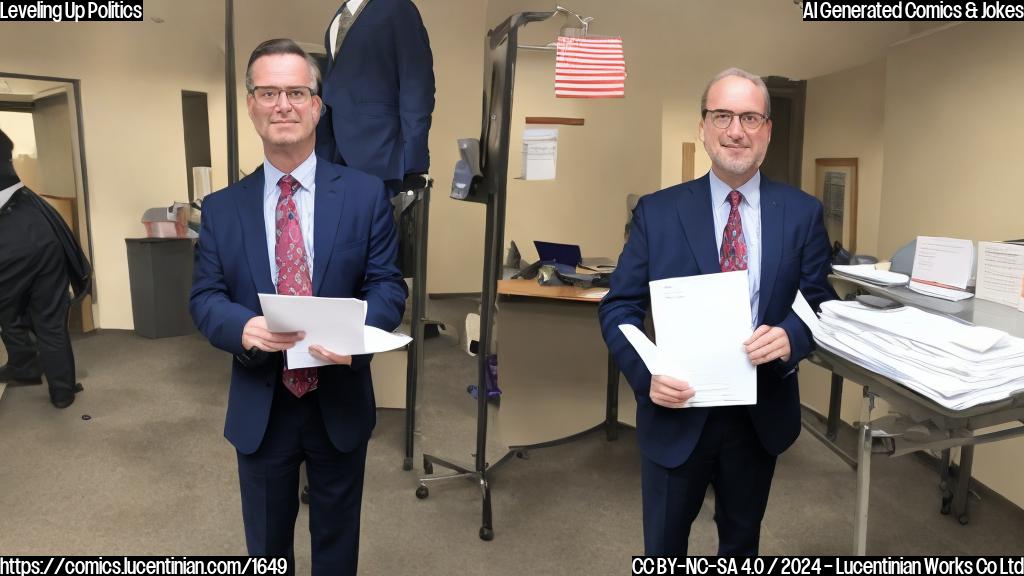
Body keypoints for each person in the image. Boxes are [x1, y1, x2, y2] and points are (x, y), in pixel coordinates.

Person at [598, 68, 836, 556]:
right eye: (723, 115)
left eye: (750, 117)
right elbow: (619, 307)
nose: (736, 130)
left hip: (759, 415)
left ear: (768, 128)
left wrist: (793, 336)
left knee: (741, 543)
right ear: (703, 127)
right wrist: (648, 376)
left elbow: (819, 299)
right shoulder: (657, 212)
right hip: (676, 411)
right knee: (664, 548)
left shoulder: (802, 213)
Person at [189, 39, 406, 575]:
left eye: (295, 91)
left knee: (337, 544)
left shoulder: (363, 195)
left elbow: (387, 287)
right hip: (262, 404)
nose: (281, 104)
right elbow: (205, 297)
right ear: (251, 104)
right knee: (265, 548)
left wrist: (354, 337)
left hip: (339, 396)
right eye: (268, 91)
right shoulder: (221, 209)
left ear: (317, 104)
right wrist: (244, 329)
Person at [0, 128, 90, 408]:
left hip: (11, 234)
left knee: (7, 308)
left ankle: (25, 365)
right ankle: (62, 392)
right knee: (50, 320)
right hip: (42, 225)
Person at [315, 0, 435, 193]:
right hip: (336, 155)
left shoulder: (398, 8)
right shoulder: (340, 15)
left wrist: (413, 164)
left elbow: (416, 86)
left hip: (381, 154)